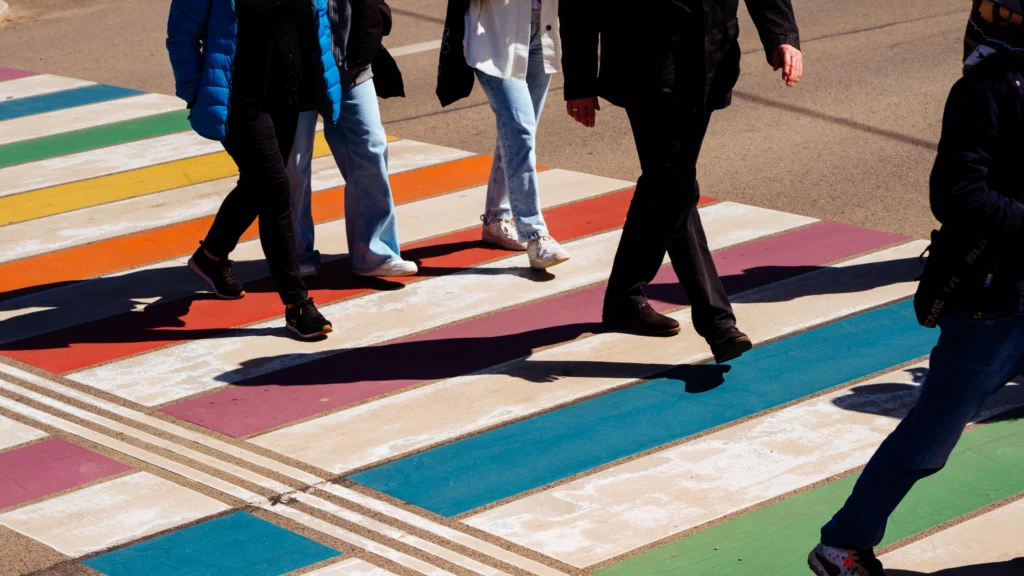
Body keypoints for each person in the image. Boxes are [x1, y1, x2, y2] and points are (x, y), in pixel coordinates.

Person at [807, 3, 1024, 574]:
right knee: (933, 433)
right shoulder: (986, 89)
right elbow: (956, 194)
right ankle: (843, 544)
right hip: (992, 296)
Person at [558, 0, 803, 363]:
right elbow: (579, 5)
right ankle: (717, 322)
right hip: (645, 67)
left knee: (664, 179)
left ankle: (624, 297)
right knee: (675, 188)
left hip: (709, 61)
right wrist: (579, 79)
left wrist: (781, 37)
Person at [167, 0, 338, 339]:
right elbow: (181, 37)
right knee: (276, 192)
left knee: (257, 185)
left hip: (288, 94)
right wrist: (195, 93)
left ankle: (211, 257)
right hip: (238, 101)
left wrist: (323, 80)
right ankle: (297, 304)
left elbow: (316, 19)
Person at [289, 0, 418, 278]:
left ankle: (374, 253)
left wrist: (368, 39)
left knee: (371, 146)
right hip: (294, 69)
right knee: (295, 163)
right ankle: (295, 253)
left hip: (351, 61)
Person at [462, 0, 572, 269]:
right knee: (520, 133)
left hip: (542, 34)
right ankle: (535, 236)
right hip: (494, 40)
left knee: (517, 134)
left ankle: (496, 219)